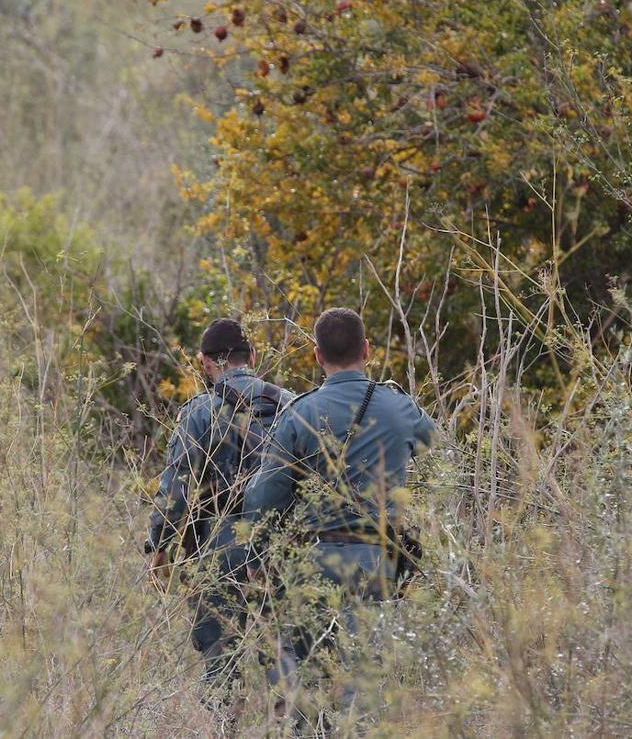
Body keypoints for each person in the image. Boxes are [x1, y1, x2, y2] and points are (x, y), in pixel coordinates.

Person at [243, 307, 438, 722]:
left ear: (317, 356)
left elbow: (263, 498)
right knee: (361, 677)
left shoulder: (299, 412)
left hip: (311, 562)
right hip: (375, 560)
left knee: (304, 672)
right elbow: (430, 441)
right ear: (367, 349)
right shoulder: (396, 406)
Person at [144, 317, 292, 701]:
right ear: (254, 356)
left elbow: (176, 493)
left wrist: (159, 547)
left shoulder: (198, 412)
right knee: (289, 661)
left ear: (205, 362)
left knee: (222, 666)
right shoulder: (294, 405)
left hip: (221, 546)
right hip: (287, 545)